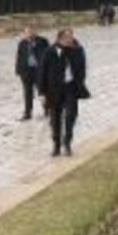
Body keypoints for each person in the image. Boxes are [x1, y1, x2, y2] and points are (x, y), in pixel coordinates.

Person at [39, 28, 89, 157]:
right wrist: (42, 92)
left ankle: (67, 142)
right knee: (55, 118)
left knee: (71, 115)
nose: (70, 39)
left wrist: (80, 81)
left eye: (71, 36)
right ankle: (56, 145)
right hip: (53, 90)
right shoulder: (50, 51)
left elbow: (82, 67)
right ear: (60, 38)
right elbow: (42, 72)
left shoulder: (78, 50)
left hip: (70, 87)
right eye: (67, 37)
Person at [15, 28, 50, 121]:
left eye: (30, 32)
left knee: (42, 91)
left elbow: (48, 55)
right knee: (27, 93)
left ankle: (47, 109)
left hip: (39, 71)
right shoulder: (22, 43)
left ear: (35, 32)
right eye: (26, 33)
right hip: (27, 71)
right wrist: (18, 70)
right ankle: (28, 113)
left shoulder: (42, 41)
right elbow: (19, 57)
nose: (29, 34)